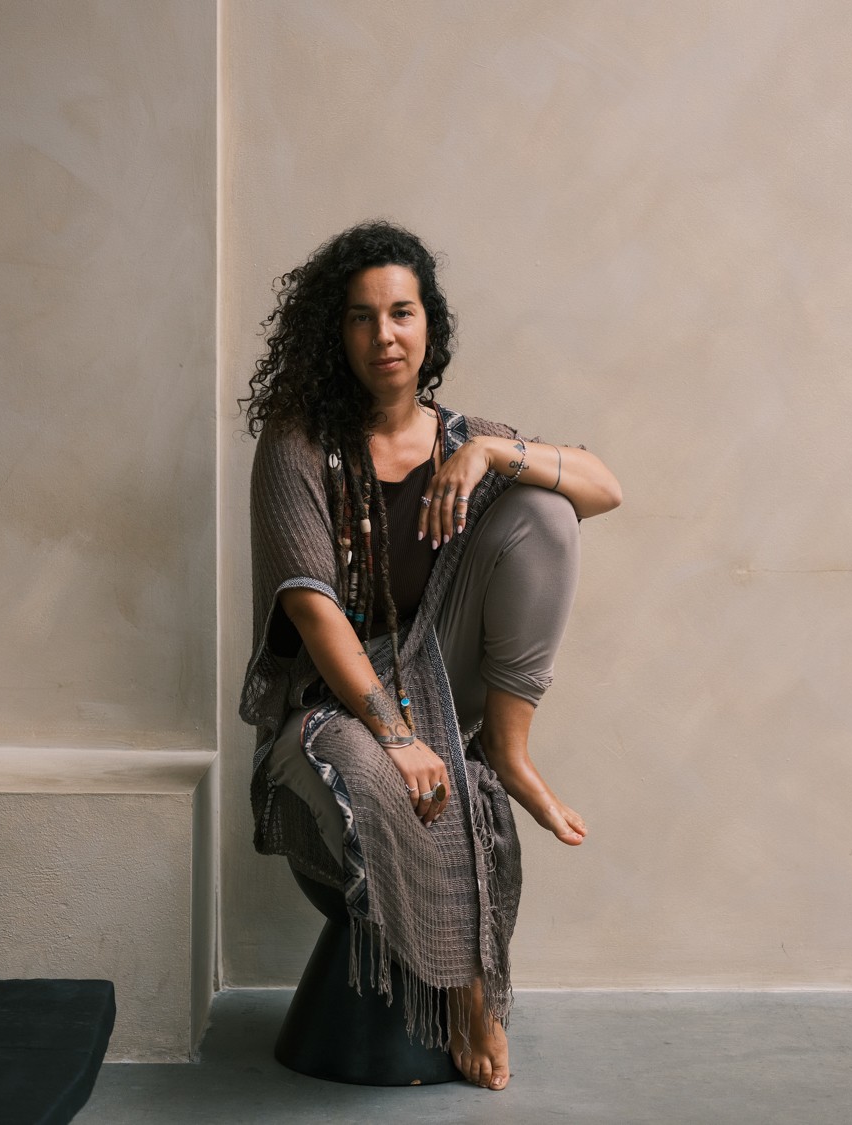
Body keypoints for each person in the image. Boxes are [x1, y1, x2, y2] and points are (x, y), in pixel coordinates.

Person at [239, 220, 621, 1091]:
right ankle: (464, 982)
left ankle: (511, 755)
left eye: (402, 313)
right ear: (333, 336)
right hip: (333, 701)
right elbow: (311, 605)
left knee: (546, 507)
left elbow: (606, 487)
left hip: (442, 677)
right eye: (362, 317)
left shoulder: (462, 440)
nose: (385, 335)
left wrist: (492, 450)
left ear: (430, 325)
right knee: (386, 784)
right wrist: (396, 732)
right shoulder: (299, 444)